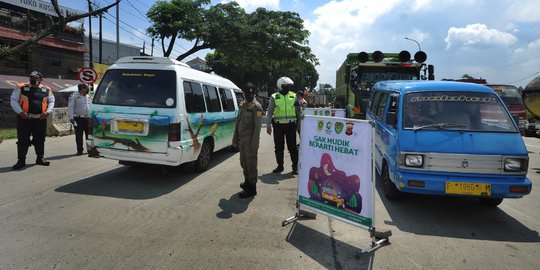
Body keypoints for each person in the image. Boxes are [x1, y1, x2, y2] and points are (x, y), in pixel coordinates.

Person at [10, 71, 55, 170]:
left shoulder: (47, 89)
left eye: (36, 78)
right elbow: (13, 100)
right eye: (32, 77)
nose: (33, 79)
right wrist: (20, 112)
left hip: (40, 118)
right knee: (23, 140)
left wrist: (48, 112)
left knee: (40, 139)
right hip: (24, 118)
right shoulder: (21, 87)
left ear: (40, 80)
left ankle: (40, 158)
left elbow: (51, 101)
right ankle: (21, 160)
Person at [232, 82, 264, 198]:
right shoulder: (243, 105)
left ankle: (252, 188)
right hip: (242, 140)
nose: (249, 96)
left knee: (251, 164)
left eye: (252, 94)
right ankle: (247, 182)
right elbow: (238, 122)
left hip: (250, 141)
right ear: (244, 94)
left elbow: (257, 127)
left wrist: (254, 144)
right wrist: (235, 138)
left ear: (254, 94)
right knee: (243, 162)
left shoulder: (257, 107)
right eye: (247, 94)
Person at [266, 76, 298, 174]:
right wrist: (268, 125)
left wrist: (299, 124)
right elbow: (270, 112)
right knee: (279, 147)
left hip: (291, 125)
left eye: (288, 86)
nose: (287, 87)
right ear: (280, 86)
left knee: (292, 147)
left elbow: (299, 111)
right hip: (278, 126)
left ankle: (295, 167)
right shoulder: (274, 96)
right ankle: (280, 166)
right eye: (285, 85)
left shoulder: (293, 96)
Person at [68, 83, 91, 155]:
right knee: (79, 135)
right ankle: (80, 150)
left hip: (87, 118)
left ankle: (89, 150)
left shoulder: (88, 96)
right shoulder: (74, 96)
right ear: (82, 89)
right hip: (78, 118)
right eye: (86, 88)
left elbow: (90, 105)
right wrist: (71, 118)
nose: (87, 89)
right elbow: (70, 107)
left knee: (89, 135)